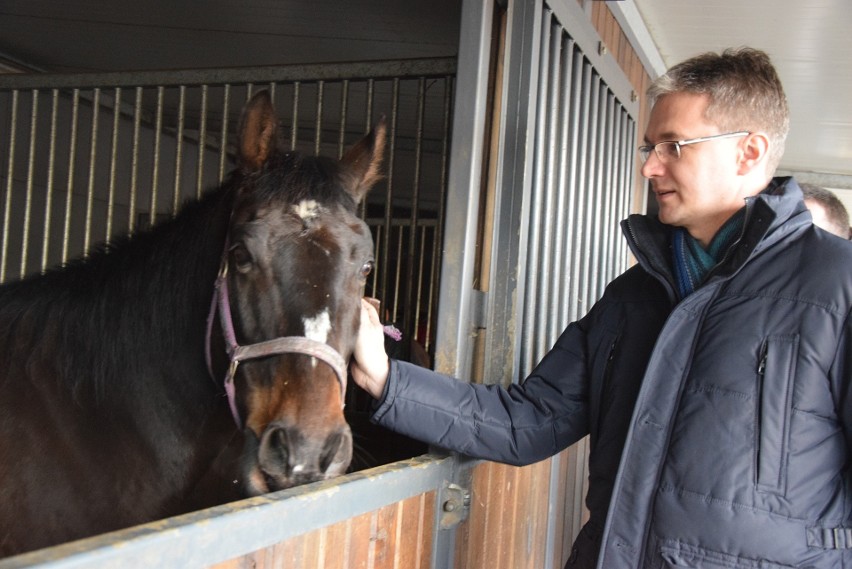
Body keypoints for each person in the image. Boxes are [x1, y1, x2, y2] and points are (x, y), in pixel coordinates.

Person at [351, 47, 852, 569]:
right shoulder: (633, 296)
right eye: (649, 146)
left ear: (748, 152)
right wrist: (387, 376)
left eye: (673, 145)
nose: (649, 165)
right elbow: (530, 420)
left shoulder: (837, 284)